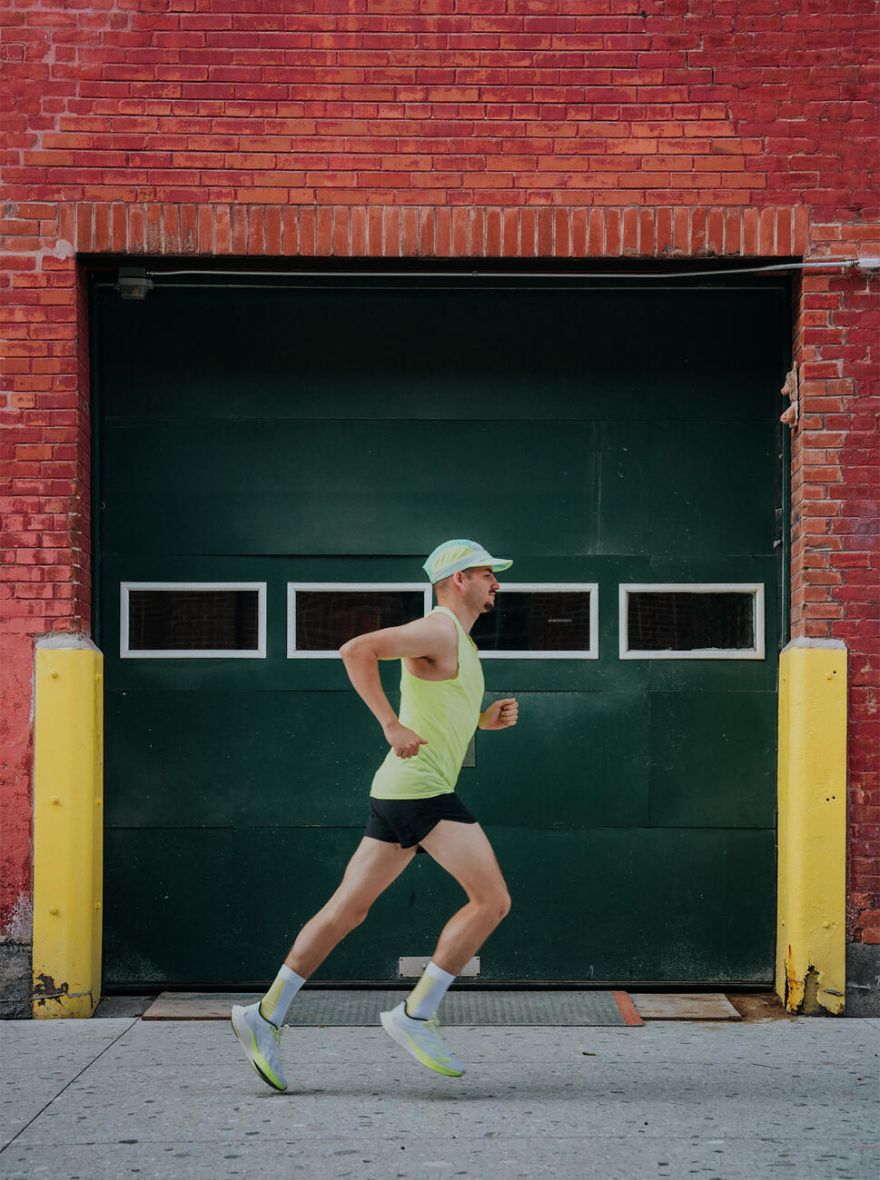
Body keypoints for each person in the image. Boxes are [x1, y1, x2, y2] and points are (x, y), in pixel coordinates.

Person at [232, 539, 519, 1091]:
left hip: (402, 790)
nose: (496, 583)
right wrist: (389, 725)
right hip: (420, 791)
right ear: (459, 579)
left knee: (348, 909)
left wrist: (482, 721)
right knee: (492, 901)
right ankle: (416, 1015)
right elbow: (355, 649)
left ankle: (264, 1015)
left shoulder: (457, 640)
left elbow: (437, 707)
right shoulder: (438, 629)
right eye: (488, 573)